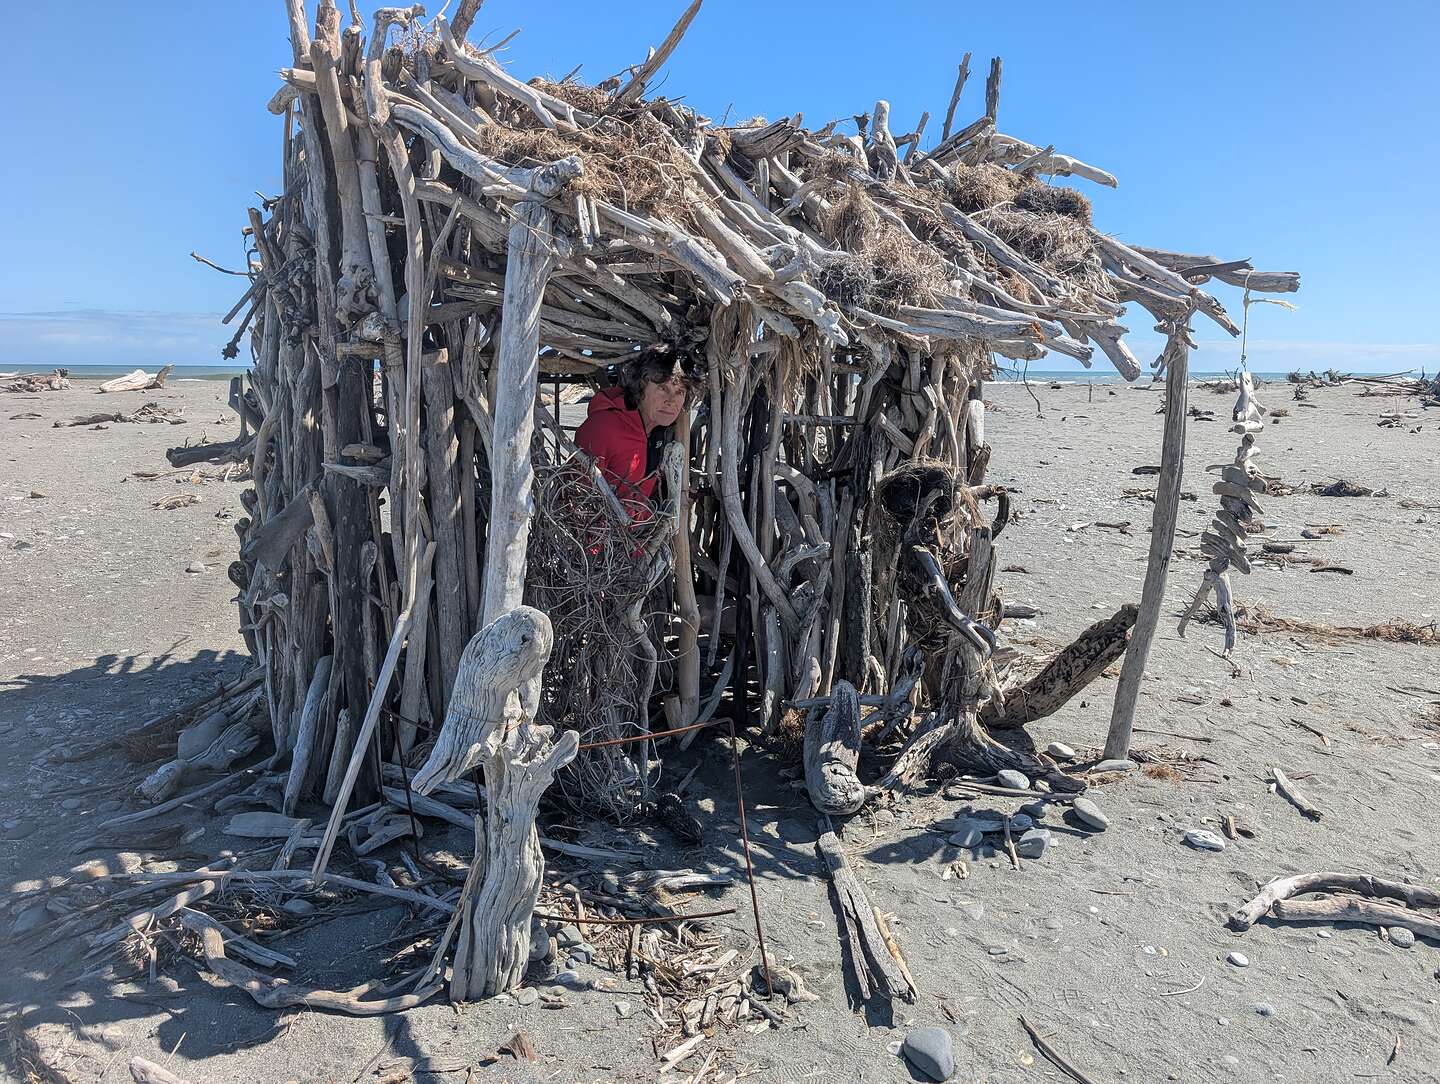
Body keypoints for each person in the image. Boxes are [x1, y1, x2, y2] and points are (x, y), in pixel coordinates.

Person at [575, 347, 698, 521]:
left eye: (680, 392)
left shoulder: (659, 433)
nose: (671, 401)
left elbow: (638, 489)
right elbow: (577, 502)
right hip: (600, 545)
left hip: (637, 545)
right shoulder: (603, 428)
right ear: (640, 388)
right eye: (663, 388)